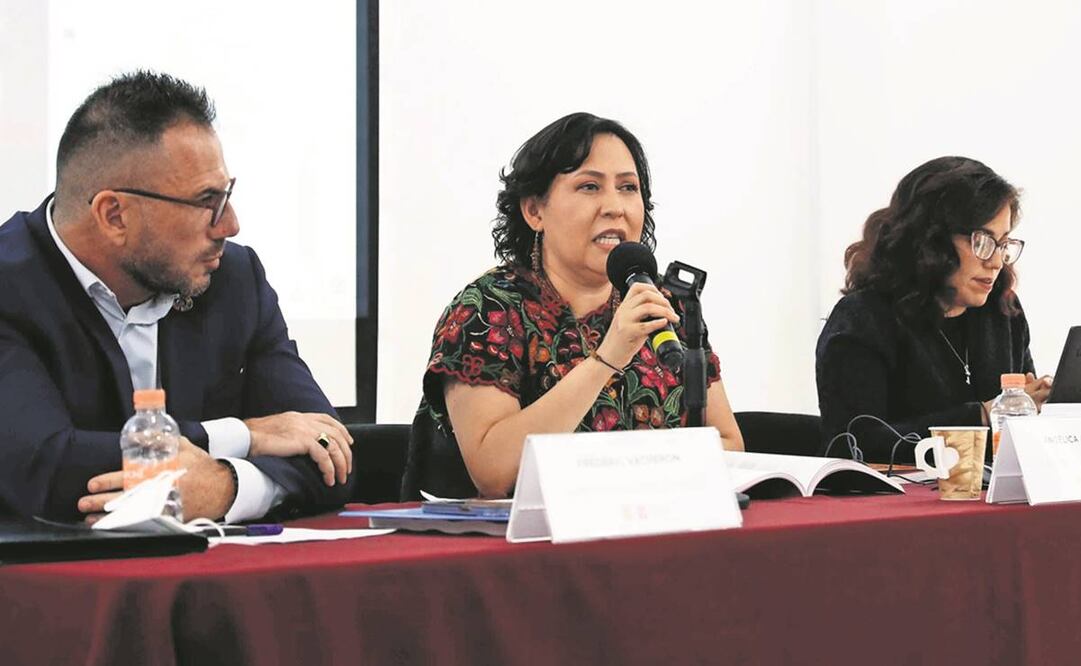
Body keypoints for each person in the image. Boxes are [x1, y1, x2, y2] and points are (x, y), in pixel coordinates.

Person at [0, 71, 355, 522]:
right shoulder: (10, 286)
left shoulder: (233, 279)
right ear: (114, 215)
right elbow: (44, 467)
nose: (230, 225)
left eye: (226, 194)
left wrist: (226, 487)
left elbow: (329, 451)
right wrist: (242, 437)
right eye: (206, 201)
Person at [402, 112, 743, 500]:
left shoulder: (663, 304)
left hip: (649, 520)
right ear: (534, 211)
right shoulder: (488, 309)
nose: (614, 207)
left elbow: (729, 443)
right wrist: (607, 359)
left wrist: (641, 476)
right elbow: (495, 474)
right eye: (589, 187)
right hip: (516, 535)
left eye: (628, 188)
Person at [816, 156, 1052, 464]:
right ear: (931, 240)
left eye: (1003, 244)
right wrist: (981, 416)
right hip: (890, 493)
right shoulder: (862, 319)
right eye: (982, 241)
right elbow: (854, 443)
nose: (995, 261)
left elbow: (1013, 436)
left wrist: (1043, 405)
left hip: (986, 490)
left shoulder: (1003, 311)